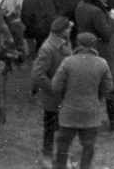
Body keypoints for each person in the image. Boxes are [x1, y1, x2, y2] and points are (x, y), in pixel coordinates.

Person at [73, 0, 114, 134]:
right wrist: (111, 18)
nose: (106, 0)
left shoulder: (81, 5)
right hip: (100, 53)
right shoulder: (97, 12)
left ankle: (84, 121)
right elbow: (106, 34)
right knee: (111, 85)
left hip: (82, 51)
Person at [49, 32, 114, 169]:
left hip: (69, 112)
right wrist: (96, 97)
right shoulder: (102, 63)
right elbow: (108, 87)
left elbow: (55, 86)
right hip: (91, 112)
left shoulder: (68, 62)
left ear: (78, 44)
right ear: (94, 46)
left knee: (63, 144)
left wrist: (66, 97)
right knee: (88, 146)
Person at [31, 16, 73, 169]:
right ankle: (47, 156)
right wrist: (53, 89)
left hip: (66, 95)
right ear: (62, 31)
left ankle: (63, 156)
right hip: (53, 98)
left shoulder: (65, 41)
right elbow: (37, 74)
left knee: (66, 128)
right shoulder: (48, 48)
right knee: (50, 129)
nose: (70, 30)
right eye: (68, 28)